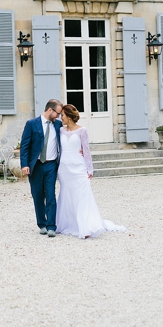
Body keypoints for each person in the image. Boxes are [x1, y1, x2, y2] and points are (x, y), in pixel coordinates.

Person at [55, 104, 125, 239]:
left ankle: (85, 226)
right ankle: (67, 223)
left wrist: (90, 168)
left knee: (82, 195)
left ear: (68, 117)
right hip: (64, 168)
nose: (60, 117)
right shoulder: (60, 130)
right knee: (67, 195)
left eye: (62, 115)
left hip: (78, 167)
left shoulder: (82, 131)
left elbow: (86, 150)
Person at [20, 99, 63, 237]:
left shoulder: (58, 125)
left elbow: (68, 139)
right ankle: (42, 224)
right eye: (58, 113)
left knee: (50, 196)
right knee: (38, 196)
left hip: (51, 165)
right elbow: (24, 146)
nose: (58, 116)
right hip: (36, 166)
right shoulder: (32, 124)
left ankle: (51, 226)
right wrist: (25, 164)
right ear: (50, 110)